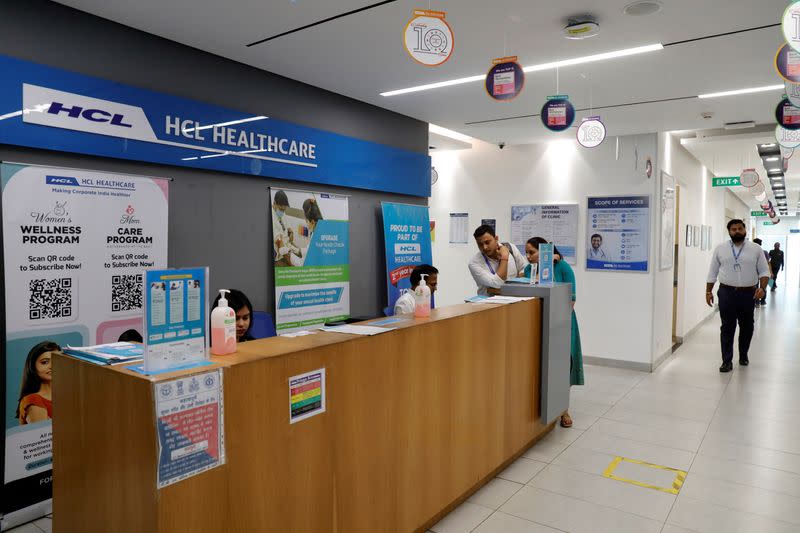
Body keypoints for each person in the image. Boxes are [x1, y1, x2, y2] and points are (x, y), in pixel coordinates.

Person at [524, 237, 584, 428]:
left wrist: (556, 320)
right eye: (526, 252)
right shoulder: (528, 270)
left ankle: (564, 409)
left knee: (563, 364)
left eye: (532, 252)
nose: (528, 257)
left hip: (563, 323)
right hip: (538, 322)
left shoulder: (563, 268)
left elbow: (571, 299)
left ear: (544, 251)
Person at [706, 219, 769, 372]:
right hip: (726, 293)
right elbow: (712, 272)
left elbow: (764, 271)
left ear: (745, 230)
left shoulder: (756, 249)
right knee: (727, 327)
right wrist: (708, 291)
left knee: (747, 327)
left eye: (740, 228)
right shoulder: (720, 249)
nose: (737, 231)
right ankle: (726, 361)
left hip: (748, 293)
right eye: (733, 229)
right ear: (729, 232)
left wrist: (762, 288)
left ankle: (743, 354)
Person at [468, 224, 527, 296]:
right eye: (480, 244)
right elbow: (498, 283)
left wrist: (513, 284)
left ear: (496, 238)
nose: (485, 247)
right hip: (490, 304)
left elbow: (525, 270)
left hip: (515, 299)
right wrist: (504, 257)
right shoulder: (474, 263)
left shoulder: (510, 247)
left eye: (487, 242)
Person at [15, 341, 60, 425]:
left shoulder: (65, 396)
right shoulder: (33, 400)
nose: (52, 366)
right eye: (45, 362)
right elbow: (42, 435)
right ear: (32, 367)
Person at [272, 190, 302, 267]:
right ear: (274, 203)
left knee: (301, 255)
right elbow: (280, 246)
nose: (282, 212)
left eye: (284, 210)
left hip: (288, 245)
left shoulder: (282, 213)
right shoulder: (272, 219)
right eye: (281, 209)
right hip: (280, 255)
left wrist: (291, 232)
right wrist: (291, 265)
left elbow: (288, 228)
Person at [752, 239, 770, 307]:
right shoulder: (765, 252)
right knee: (763, 287)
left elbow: (768, 263)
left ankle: (757, 302)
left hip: (757, 273)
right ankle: (761, 301)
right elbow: (768, 263)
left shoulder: (764, 252)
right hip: (761, 273)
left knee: (758, 287)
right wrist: (770, 272)